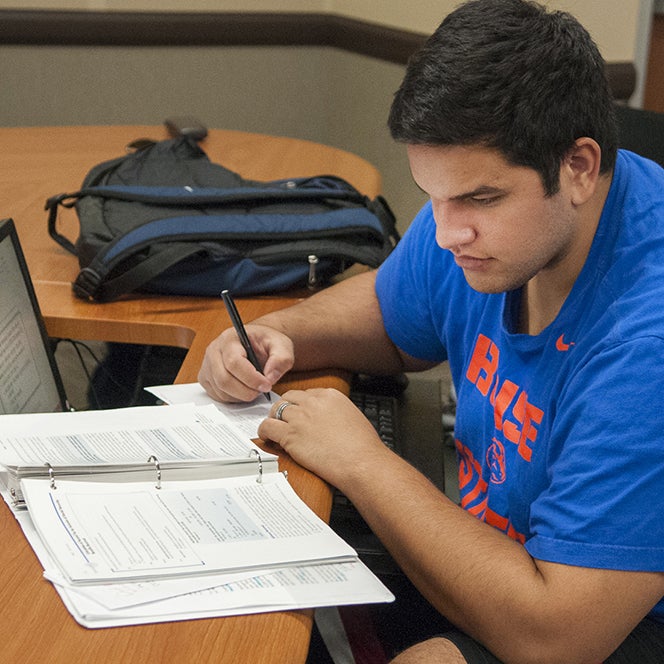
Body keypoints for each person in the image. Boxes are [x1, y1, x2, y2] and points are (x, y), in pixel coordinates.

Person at [198, 0, 664, 661]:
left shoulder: (648, 340)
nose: (446, 234)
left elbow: (556, 636)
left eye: (479, 198)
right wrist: (282, 333)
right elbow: (393, 315)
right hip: (509, 554)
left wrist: (361, 462)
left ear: (579, 168)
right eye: (433, 195)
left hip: (606, 608)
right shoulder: (487, 229)